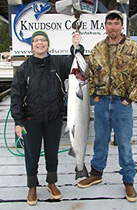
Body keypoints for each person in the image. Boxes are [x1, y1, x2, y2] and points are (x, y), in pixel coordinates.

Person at [77, 10, 137, 202]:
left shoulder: (133, 48)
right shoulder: (98, 48)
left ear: (121, 26)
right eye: (110, 23)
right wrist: (94, 95)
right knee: (100, 140)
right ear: (105, 26)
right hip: (102, 102)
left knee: (124, 143)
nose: (113, 27)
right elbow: (89, 73)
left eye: (117, 23)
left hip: (122, 103)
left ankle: (128, 181)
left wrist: (129, 98)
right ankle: (96, 173)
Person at [10, 30, 83, 205]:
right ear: (32, 45)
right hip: (31, 120)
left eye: (43, 40)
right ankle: (32, 186)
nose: (40, 43)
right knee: (31, 154)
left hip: (54, 117)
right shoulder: (24, 69)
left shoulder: (57, 63)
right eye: (36, 40)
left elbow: (75, 64)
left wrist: (76, 46)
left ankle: (51, 183)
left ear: (48, 45)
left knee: (52, 153)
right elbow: (16, 96)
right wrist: (18, 122)